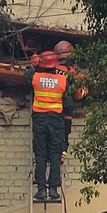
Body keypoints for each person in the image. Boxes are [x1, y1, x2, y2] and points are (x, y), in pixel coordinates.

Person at [29, 48, 73, 201]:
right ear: (55, 65)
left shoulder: (35, 77)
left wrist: (34, 65)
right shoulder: (63, 80)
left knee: (40, 154)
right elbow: (68, 103)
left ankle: (41, 190)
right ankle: (53, 190)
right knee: (55, 154)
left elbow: (26, 77)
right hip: (56, 120)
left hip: (39, 119)